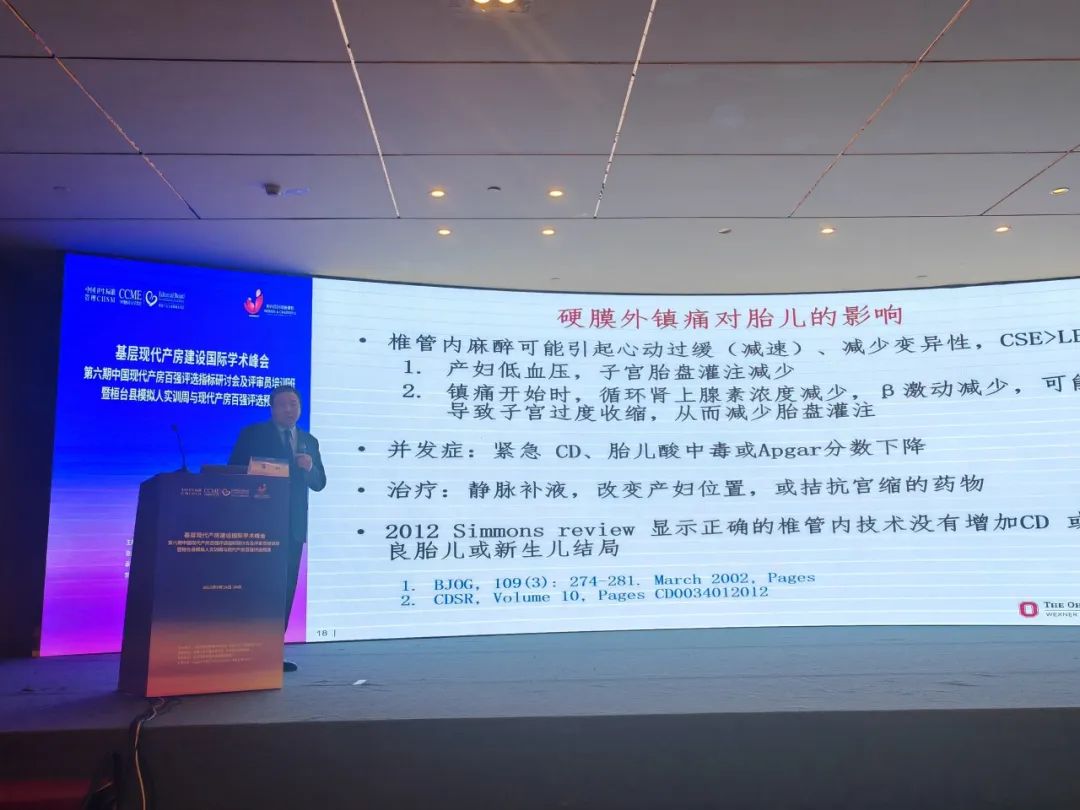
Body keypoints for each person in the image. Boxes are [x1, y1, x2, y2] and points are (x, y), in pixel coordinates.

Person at [229, 384, 326, 672]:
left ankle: (272, 653)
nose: (289, 409)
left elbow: (319, 483)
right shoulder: (253, 434)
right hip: (259, 524)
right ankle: (243, 650)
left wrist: (309, 468)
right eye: (283, 404)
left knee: (284, 589)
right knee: (257, 588)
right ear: (272, 408)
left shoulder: (309, 441)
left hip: (293, 529)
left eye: (294, 404)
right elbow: (234, 470)